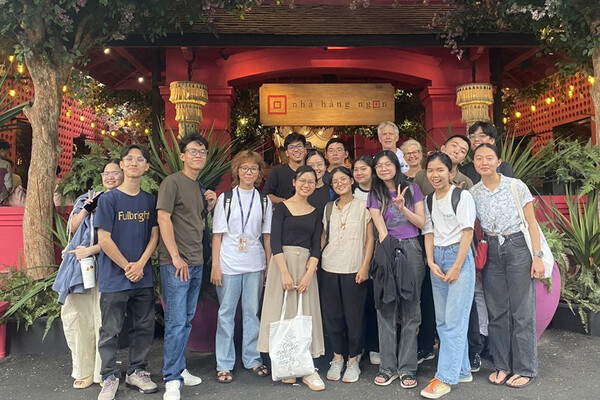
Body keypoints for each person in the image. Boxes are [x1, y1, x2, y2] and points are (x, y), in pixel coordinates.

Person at [469, 143, 542, 389]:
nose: (484, 162)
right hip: (490, 250)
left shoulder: (515, 185)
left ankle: (525, 368)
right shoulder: (474, 192)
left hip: (517, 246)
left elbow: (532, 223)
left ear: (498, 161)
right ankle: (502, 366)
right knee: (496, 311)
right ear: (474, 163)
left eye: (489, 158)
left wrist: (538, 256)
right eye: (479, 158)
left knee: (522, 311)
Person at [95, 145, 160, 400]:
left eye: (140, 159)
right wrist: (127, 266)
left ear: (146, 167)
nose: (134, 163)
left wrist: (141, 264)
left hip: (141, 276)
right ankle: (109, 376)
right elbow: (104, 239)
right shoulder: (108, 199)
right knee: (110, 330)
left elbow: (155, 234)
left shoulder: (149, 200)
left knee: (143, 327)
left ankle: (137, 371)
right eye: (129, 159)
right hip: (115, 278)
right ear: (121, 165)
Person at [52, 160, 123, 390]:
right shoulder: (89, 197)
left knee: (102, 319)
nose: (110, 177)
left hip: (107, 265)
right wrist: (86, 209)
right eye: (106, 173)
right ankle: (82, 370)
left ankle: (102, 371)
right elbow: (72, 227)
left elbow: (120, 239)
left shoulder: (125, 202)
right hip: (79, 267)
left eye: (115, 173)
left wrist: (90, 250)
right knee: (77, 316)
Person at [157, 134, 216, 400]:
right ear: (182, 155)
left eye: (202, 152)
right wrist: (175, 256)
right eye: (193, 151)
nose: (198, 156)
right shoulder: (172, 183)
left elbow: (195, 221)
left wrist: (210, 205)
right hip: (176, 264)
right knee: (175, 322)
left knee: (186, 321)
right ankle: (171, 378)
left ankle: (180, 368)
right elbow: (163, 219)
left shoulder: (197, 186)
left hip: (195, 262)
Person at [257, 166, 325, 391]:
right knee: (282, 314)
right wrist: (284, 272)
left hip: (305, 265)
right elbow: (274, 241)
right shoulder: (282, 208)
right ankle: (286, 364)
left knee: (305, 314)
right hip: (282, 265)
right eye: (303, 180)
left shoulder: (316, 212)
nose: (307, 184)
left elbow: (317, 244)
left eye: (311, 181)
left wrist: (309, 272)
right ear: (294, 182)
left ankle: (307, 367)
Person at [211, 151, 273, 384]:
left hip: (255, 264)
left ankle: (252, 358)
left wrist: (268, 265)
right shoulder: (225, 199)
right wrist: (215, 266)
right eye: (244, 168)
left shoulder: (263, 200)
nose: (249, 172)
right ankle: (224, 363)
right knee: (226, 314)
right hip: (228, 264)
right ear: (237, 171)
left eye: (254, 169)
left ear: (259, 173)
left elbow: (266, 236)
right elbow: (217, 236)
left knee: (251, 313)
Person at [367, 150, 426, 389]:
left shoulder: (412, 190)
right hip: (386, 248)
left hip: (412, 249)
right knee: (386, 308)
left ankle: (407, 368)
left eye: (387, 164)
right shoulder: (375, 194)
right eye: (378, 165)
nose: (383, 169)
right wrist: (387, 256)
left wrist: (402, 208)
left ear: (396, 166)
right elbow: (380, 229)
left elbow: (421, 223)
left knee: (412, 310)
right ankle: (387, 367)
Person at [420, 152, 476, 399]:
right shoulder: (429, 200)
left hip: (458, 258)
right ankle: (462, 370)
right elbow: (428, 232)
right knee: (443, 321)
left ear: (450, 171)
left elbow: (467, 233)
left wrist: (457, 265)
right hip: (438, 260)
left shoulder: (462, 196)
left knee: (454, 321)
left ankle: (444, 378)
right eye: (430, 170)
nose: (435, 175)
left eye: (440, 170)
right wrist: (431, 261)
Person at [320, 166, 374, 383]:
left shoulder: (364, 207)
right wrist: (314, 259)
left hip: (354, 268)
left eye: (343, 179)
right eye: (335, 181)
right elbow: (324, 236)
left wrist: (365, 266)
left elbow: (370, 238)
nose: (339, 183)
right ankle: (337, 357)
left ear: (352, 181)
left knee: (355, 317)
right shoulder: (327, 208)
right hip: (329, 267)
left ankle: (353, 359)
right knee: (333, 316)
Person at [351, 155, 380, 365]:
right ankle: (358, 346)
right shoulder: (349, 193)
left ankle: (375, 345)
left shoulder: (380, 192)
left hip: (379, 252)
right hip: (355, 253)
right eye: (356, 169)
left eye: (364, 169)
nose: (359, 172)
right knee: (357, 304)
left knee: (376, 301)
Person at [263, 132, 306, 204]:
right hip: (282, 213)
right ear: (286, 153)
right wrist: (288, 202)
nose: (296, 150)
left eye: (299, 146)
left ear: (305, 150)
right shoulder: (277, 171)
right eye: (291, 147)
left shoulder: (310, 172)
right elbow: (266, 195)